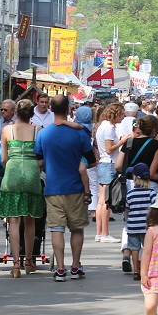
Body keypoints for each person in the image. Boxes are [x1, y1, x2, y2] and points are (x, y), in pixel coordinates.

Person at [35, 95, 97, 281]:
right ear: (69, 109)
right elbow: (92, 162)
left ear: (51, 109)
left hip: (53, 187)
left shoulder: (43, 134)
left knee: (56, 229)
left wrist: (50, 165)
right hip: (76, 187)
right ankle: (76, 267)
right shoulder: (80, 133)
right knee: (77, 229)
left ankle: (60, 269)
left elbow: (38, 162)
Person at [0, 99, 44, 277]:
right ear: (32, 113)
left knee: (14, 220)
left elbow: (3, 159)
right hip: (31, 173)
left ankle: (15, 264)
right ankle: (29, 261)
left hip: (13, 172)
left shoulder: (7, 130)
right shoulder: (38, 130)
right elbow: (42, 158)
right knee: (29, 219)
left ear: (16, 112)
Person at [94, 102, 129, 243]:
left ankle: (99, 233)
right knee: (106, 201)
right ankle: (105, 234)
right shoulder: (108, 128)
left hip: (103, 163)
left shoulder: (103, 126)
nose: (123, 117)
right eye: (121, 114)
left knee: (101, 200)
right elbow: (109, 149)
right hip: (108, 163)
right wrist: (122, 141)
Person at [123, 162, 156, 278]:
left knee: (134, 248)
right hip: (146, 226)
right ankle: (146, 270)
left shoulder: (130, 193)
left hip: (133, 226)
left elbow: (127, 209)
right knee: (147, 248)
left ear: (136, 178)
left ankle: (136, 271)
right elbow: (155, 207)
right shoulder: (151, 192)